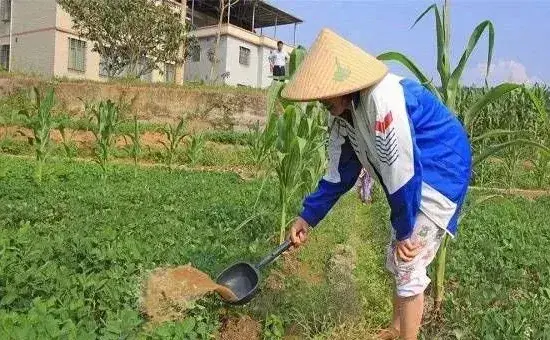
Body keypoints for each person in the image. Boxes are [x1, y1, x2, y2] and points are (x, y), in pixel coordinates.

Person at [281, 28, 472, 340]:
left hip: (441, 170)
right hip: (414, 175)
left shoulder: (383, 101)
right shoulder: (343, 115)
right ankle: (396, 330)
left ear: (342, 86)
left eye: (324, 92)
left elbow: (402, 171)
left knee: (409, 262)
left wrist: (406, 229)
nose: (319, 100)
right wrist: (307, 216)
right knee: (396, 256)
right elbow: (338, 174)